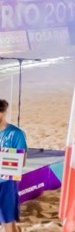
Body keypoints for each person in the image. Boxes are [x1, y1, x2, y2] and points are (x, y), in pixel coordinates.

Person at [0, 99, 26, 232]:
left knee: (8, 224)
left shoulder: (16, 134)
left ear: (3, 113)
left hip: (6, 184)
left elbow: (22, 162)